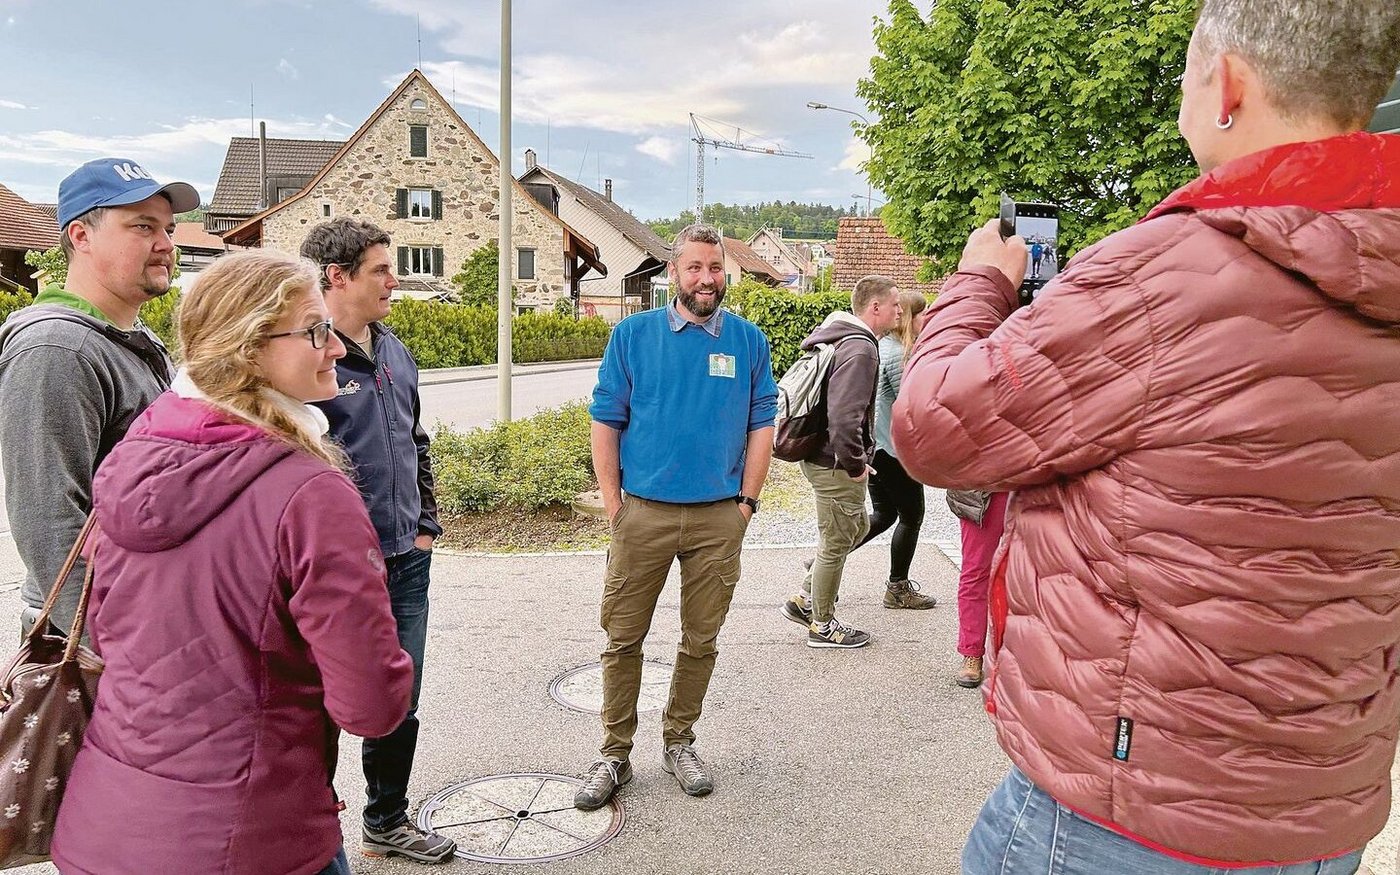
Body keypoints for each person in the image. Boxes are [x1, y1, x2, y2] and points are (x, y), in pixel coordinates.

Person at [891, 0, 1400, 870]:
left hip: (1126, 815)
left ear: (1228, 84)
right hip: (1324, 811)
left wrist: (978, 284)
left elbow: (933, 425)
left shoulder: (1161, 278)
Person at [51, 250, 415, 875]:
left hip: (104, 826)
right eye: (315, 330)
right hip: (249, 833)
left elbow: (107, 626)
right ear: (248, 348)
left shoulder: (136, 455)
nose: (335, 348)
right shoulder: (311, 494)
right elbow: (371, 705)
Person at [574, 223, 777, 811]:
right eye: (694, 268)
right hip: (643, 514)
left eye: (714, 268)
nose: (706, 279)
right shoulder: (632, 336)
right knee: (623, 638)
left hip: (718, 518)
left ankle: (680, 741)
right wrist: (615, 505)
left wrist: (747, 502)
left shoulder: (747, 341)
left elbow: (761, 421)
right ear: (673, 273)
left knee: (701, 640)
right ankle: (614, 753)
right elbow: (606, 420)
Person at [300, 218, 455, 864]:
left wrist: (424, 526)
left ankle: (386, 818)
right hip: (341, 572)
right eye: (380, 270)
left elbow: (416, 440)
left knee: (399, 695)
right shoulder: (309, 357)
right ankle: (310, 827)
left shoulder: (394, 351)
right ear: (337, 278)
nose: (396, 280)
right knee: (318, 706)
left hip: (406, 563)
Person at [0, 157, 197, 638]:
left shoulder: (126, 338)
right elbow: (50, 523)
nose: (165, 245)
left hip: (146, 618)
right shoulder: (57, 349)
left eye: (168, 229)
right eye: (142, 227)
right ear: (80, 236)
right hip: (101, 638)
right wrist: (114, 654)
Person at [779, 275, 901, 649]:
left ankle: (804, 600)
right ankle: (823, 623)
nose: (900, 310)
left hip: (819, 454)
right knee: (836, 539)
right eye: (894, 304)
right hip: (834, 461)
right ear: (874, 307)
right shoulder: (861, 348)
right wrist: (856, 464)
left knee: (850, 528)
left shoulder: (837, 336)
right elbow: (846, 416)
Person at [848, 289, 937, 610]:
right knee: (912, 516)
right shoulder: (900, 354)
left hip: (877, 447)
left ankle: (824, 560)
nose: (927, 319)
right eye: (922, 313)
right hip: (893, 451)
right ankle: (897, 587)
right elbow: (912, 405)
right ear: (911, 320)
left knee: (885, 514)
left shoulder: (883, 347)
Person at [942, 489, 1007, 688]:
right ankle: (972, 652)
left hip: (1028, 487)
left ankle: (1016, 654)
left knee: (1027, 574)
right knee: (976, 571)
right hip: (981, 491)